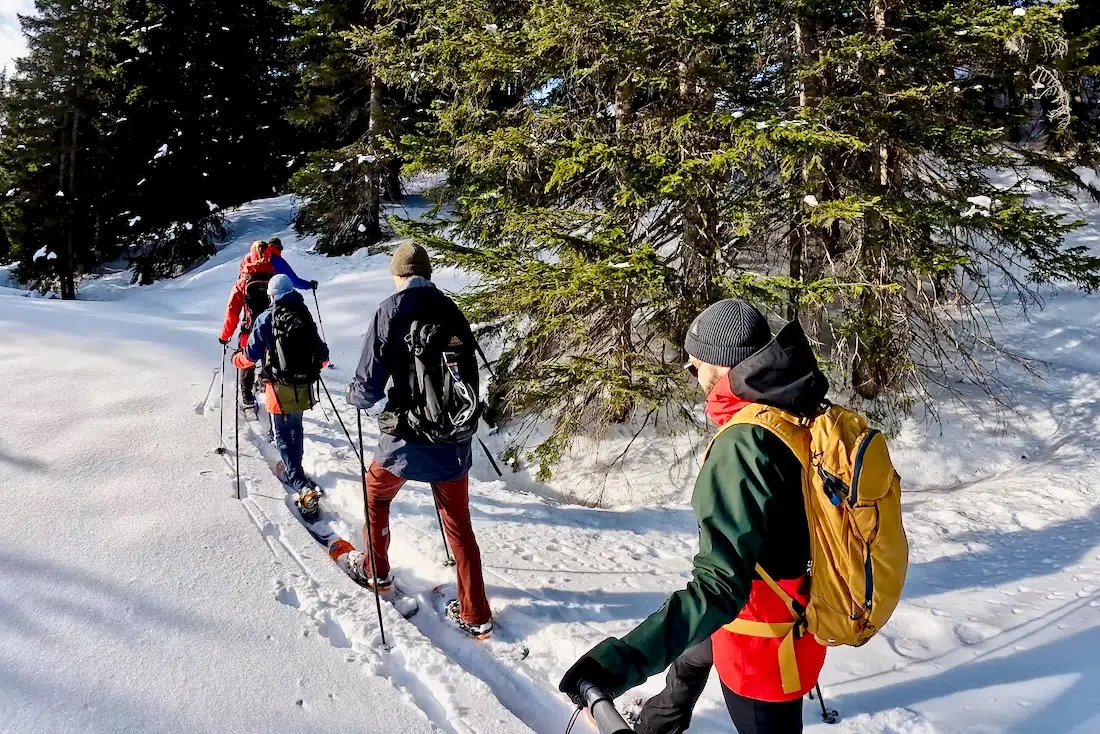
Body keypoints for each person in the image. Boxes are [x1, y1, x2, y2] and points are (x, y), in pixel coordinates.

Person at [560, 300, 830, 734]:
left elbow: (720, 589)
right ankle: (657, 724)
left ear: (723, 366)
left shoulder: (743, 445)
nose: (690, 369)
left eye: (695, 362)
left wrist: (616, 663)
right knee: (691, 658)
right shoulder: (794, 399)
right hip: (779, 600)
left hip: (761, 637)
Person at [339, 242, 494, 639]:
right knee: (459, 524)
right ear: (428, 273)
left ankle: (377, 571)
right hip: (453, 438)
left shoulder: (390, 310)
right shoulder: (450, 308)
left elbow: (369, 384)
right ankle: (476, 614)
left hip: (406, 438)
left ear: (399, 275)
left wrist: (356, 396)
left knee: (376, 495)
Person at [232, 274, 329, 518]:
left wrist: (237, 359)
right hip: (304, 385)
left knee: (282, 434)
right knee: (295, 427)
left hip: (277, 386)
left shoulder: (267, 317)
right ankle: (296, 468)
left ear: (272, 295)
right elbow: (324, 355)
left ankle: (300, 484)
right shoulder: (303, 314)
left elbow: (251, 356)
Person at [219, 239, 316, 411]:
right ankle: (267, 389)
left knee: (247, 361)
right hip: (273, 330)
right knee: (270, 361)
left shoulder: (243, 281)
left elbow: (232, 312)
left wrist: (225, 336)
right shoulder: (274, 279)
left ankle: (247, 399)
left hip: (249, 331)